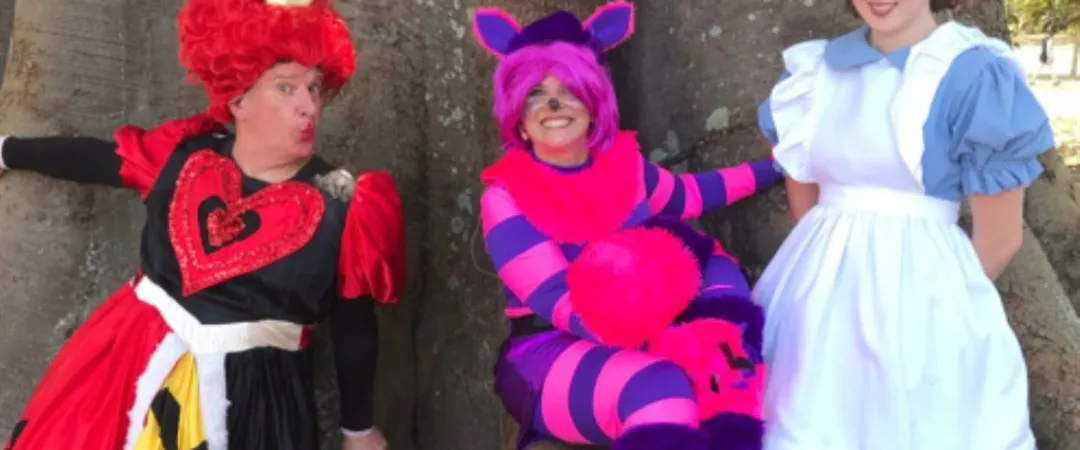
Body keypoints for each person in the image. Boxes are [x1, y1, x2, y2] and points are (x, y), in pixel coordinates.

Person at [0, 0, 405, 449]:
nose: (309, 106)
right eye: (286, 88)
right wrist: (7, 150)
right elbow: (98, 160)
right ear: (239, 100)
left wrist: (358, 429)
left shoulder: (346, 207)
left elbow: (355, 327)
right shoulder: (184, 156)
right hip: (125, 368)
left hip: (256, 406)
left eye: (315, 87)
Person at [470, 2, 783, 449]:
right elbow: (558, 301)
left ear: (595, 104)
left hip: (642, 333)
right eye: (535, 92)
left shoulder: (627, 166)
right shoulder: (504, 197)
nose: (554, 103)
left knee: (726, 361)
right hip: (546, 354)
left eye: (570, 89)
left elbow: (692, 194)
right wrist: (664, 338)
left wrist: (776, 169)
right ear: (518, 116)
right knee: (660, 387)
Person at [752, 0, 1055, 448]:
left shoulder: (972, 75)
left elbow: (1002, 238)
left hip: (929, 301)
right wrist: (828, 281)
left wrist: (935, 312)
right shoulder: (815, 71)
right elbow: (804, 184)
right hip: (814, 303)